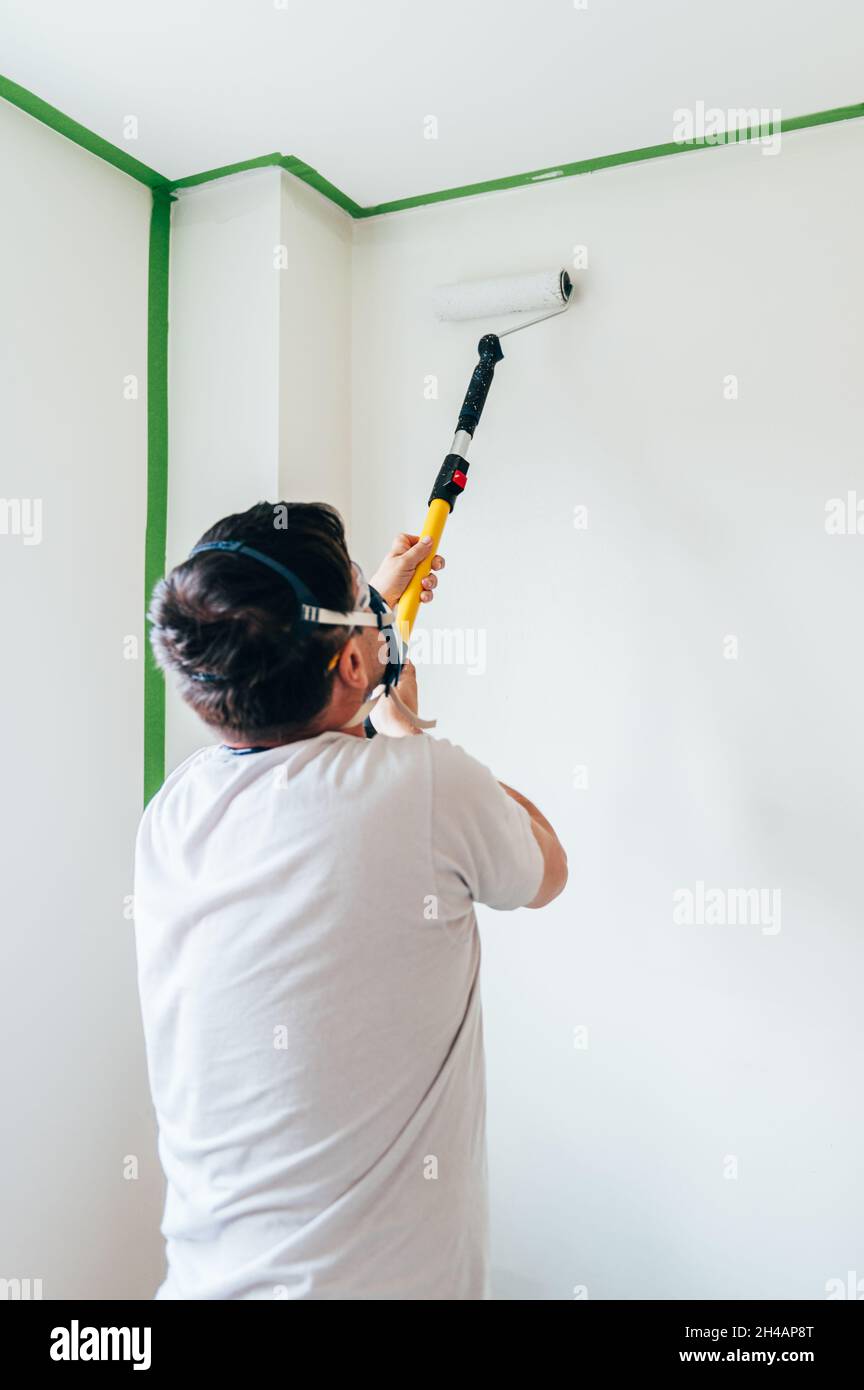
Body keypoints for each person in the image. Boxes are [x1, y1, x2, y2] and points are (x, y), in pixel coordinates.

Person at [134, 499, 567, 1300]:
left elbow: (317, 769)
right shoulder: (428, 789)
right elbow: (546, 869)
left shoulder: (174, 814)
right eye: (367, 604)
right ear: (352, 667)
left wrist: (363, 636)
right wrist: (400, 718)